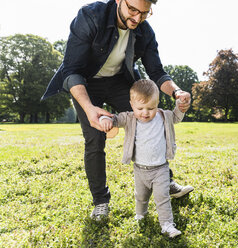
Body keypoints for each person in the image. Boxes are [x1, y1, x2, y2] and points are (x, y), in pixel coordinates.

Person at [41, 0, 193, 220]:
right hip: (85, 83)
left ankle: (165, 181)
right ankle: (101, 202)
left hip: (120, 82)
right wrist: (89, 108)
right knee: (94, 139)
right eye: (132, 9)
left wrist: (177, 92)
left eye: (144, 13)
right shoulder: (90, 16)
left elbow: (157, 72)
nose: (137, 18)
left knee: (149, 121)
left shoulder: (144, 31)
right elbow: (71, 70)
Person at [100, 79, 184, 237]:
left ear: (157, 103)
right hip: (139, 169)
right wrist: (106, 120)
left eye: (151, 108)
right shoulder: (130, 118)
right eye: (140, 108)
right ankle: (141, 215)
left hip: (160, 168)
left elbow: (177, 117)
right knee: (141, 196)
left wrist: (180, 106)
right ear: (131, 104)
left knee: (162, 197)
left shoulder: (164, 116)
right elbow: (115, 119)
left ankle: (167, 225)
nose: (145, 113)